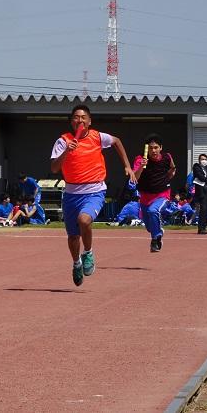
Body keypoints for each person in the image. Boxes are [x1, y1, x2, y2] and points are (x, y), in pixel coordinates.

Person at [50, 104, 136, 286]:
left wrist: (127, 166)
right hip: (72, 194)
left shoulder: (97, 137)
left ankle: (88, 252)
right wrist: (67, 150)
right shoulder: (62, 141)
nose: (79, 120)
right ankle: (76, 264)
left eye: (83, 117)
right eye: (76, 117)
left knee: (84, 220)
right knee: (73, 237)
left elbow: (117, 141)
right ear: (71, 121)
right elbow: (54, 168)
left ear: (89, 121)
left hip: (95, 190)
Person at [133, 134, 176, 252]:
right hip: (145, 196)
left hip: (162, 194)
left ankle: (155, 239)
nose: (153, 150)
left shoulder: (167, 157)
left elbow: (172, 167)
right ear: (147, 149)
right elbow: (134, 177)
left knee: (154, 211)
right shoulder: (140, 159)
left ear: (160, 148)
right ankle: (157, 231)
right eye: (151, 148)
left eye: (156, 147)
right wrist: (142, 166)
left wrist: (169, 176)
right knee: (149, 226)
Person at [192, 153, 207, 234]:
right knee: (203, 209)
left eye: (205, 159)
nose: (204, 161)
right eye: (202, 159)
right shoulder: (196, 167)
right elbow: (201, 177)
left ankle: (204, 227)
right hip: (202, 191)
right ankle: (201, 228)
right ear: (199, 160)